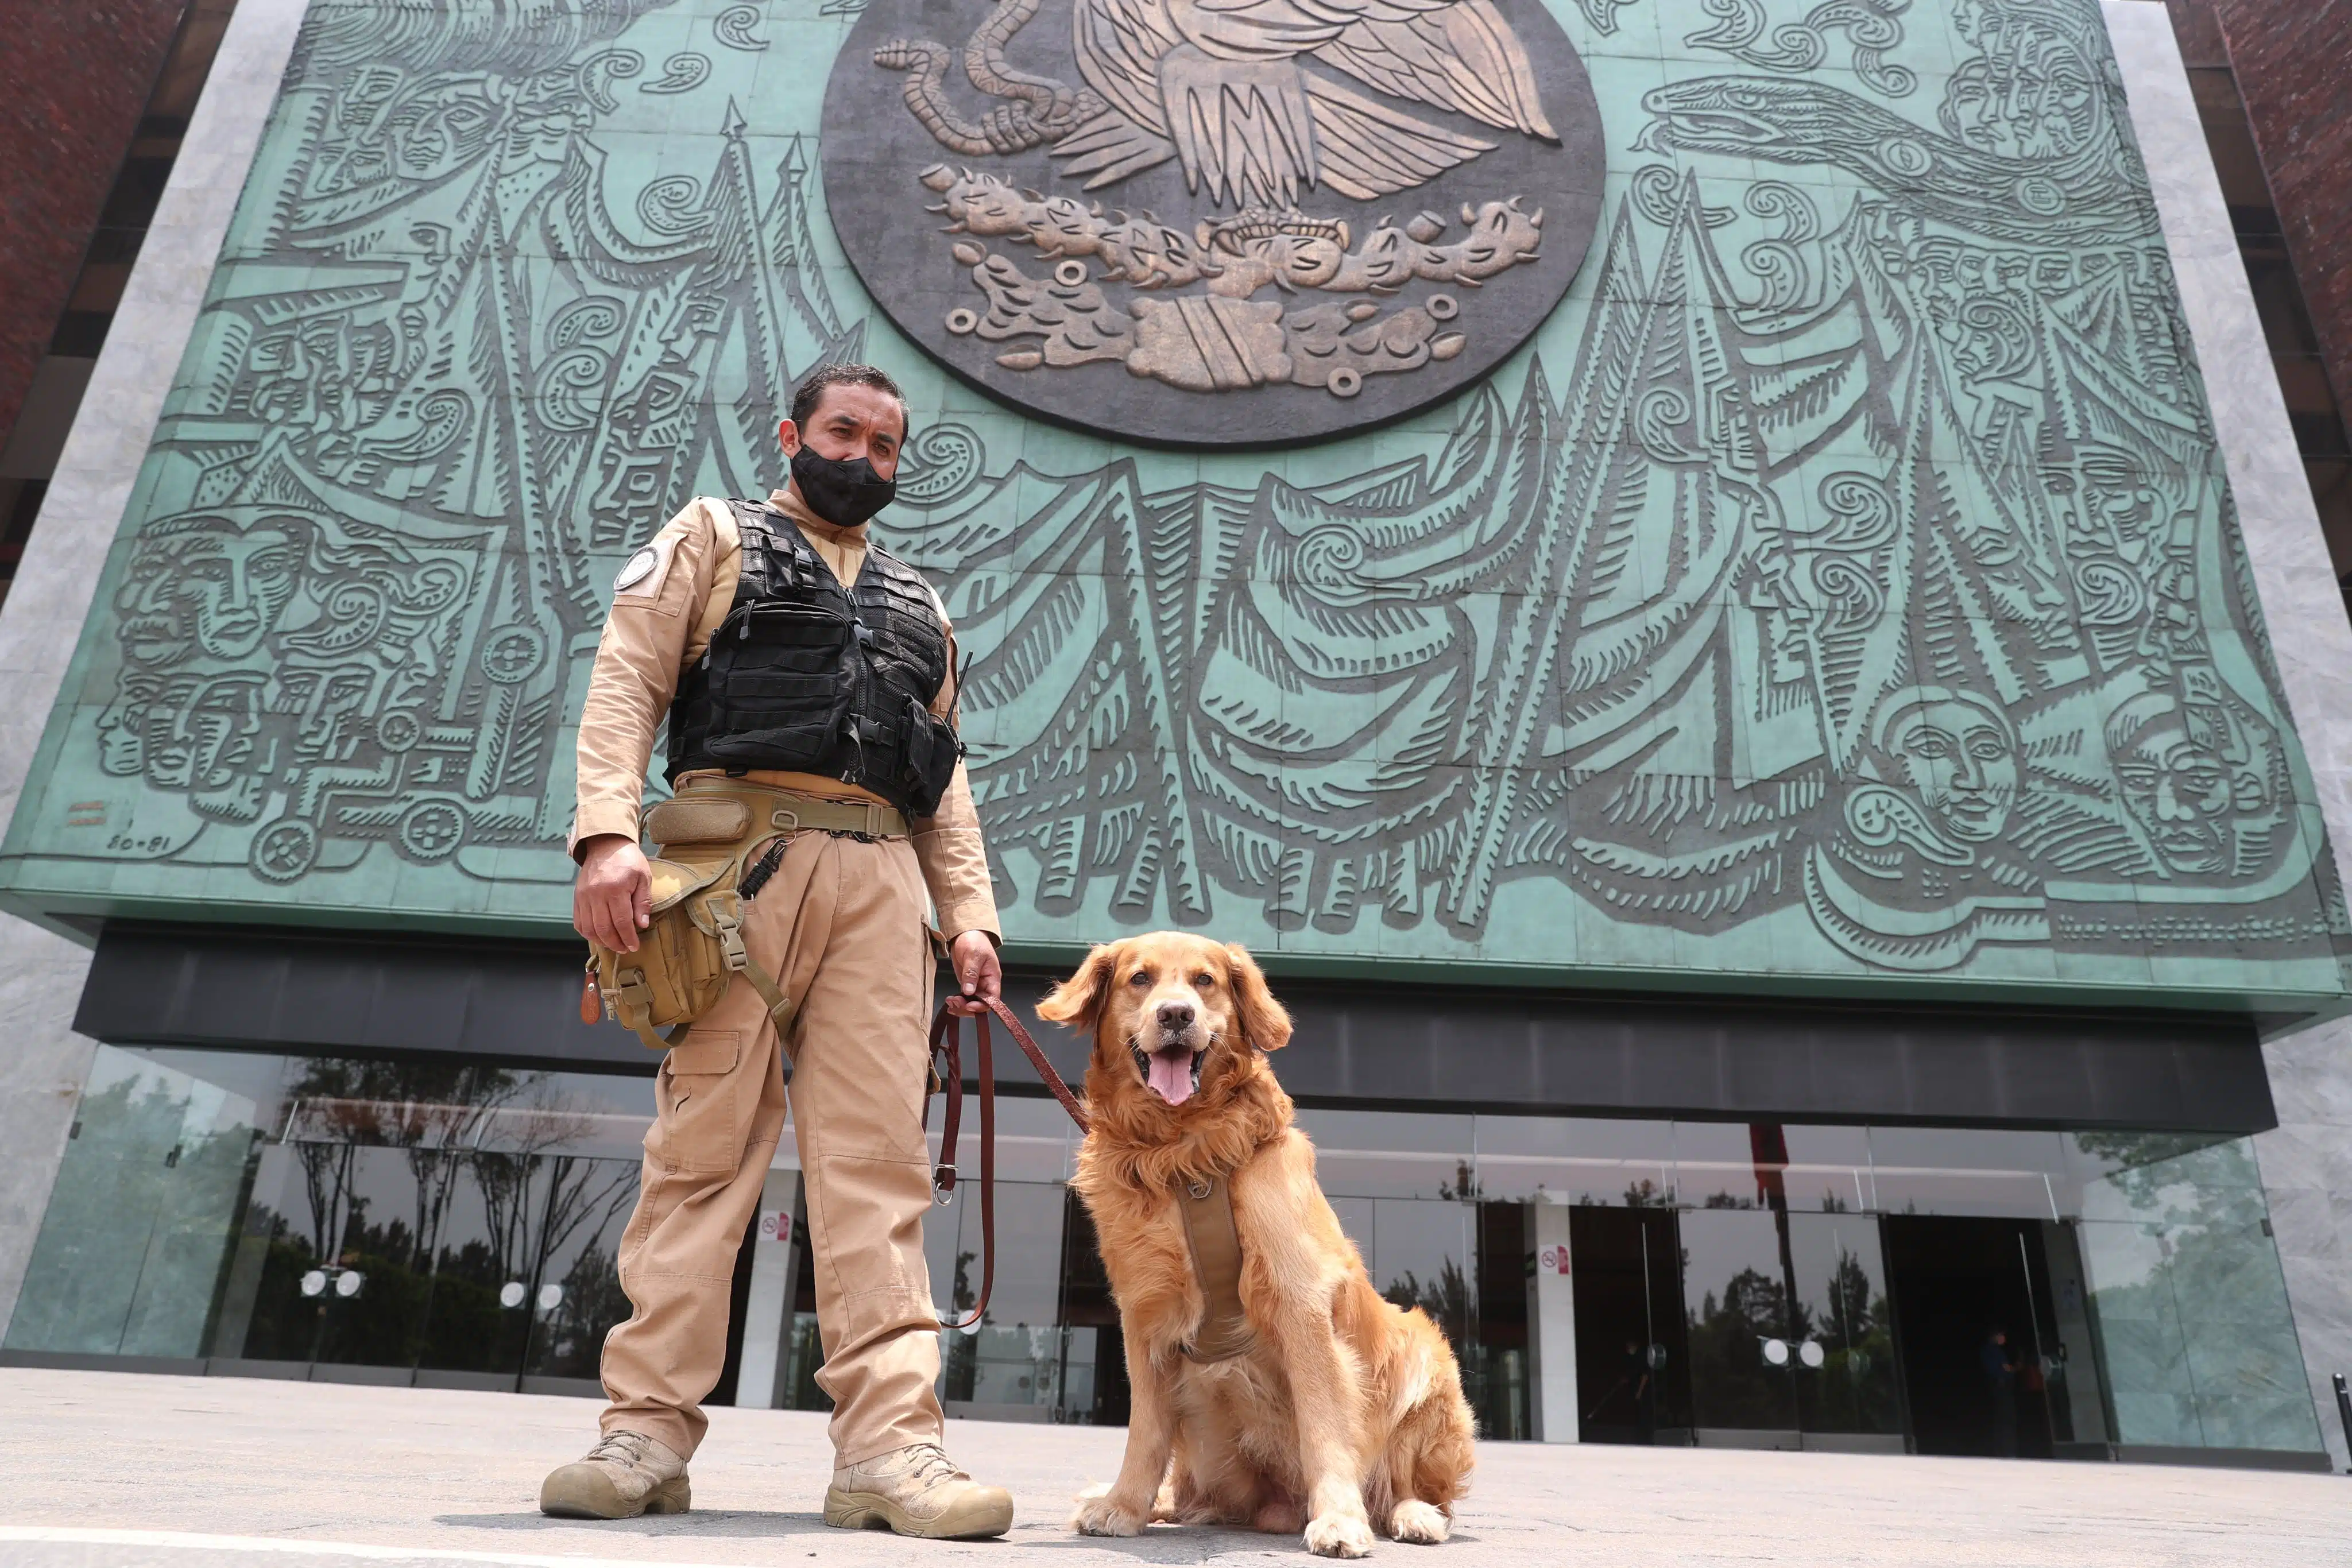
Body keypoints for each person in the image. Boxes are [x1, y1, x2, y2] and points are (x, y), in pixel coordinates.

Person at [540, 363, 1014, 1539]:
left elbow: (941, 788)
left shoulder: (923, 603)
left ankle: (891, 1454)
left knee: (878, 1174)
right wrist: (605, 836)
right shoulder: (711, 536)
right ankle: (644, 1432)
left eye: (887, 445)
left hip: (880, 889)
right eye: (845, 431)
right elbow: (625, 683)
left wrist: (971, 918)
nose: (864, 456)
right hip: (726, 873)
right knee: (702, 1156)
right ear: (793, 432)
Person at [1980, 1326, 2021, 1458]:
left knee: (1999, 1422)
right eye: (2002, 1335)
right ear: (1996, 1336)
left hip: (1995, 1389)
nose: (2004, 1339)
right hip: (2002, 1388)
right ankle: (2009, 1452)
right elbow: (2007, 1369)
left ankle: (2000, 1452)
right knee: (2007, 1421)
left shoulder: (1987, 1350)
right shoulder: (1995, 1351)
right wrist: (2017, 1367)